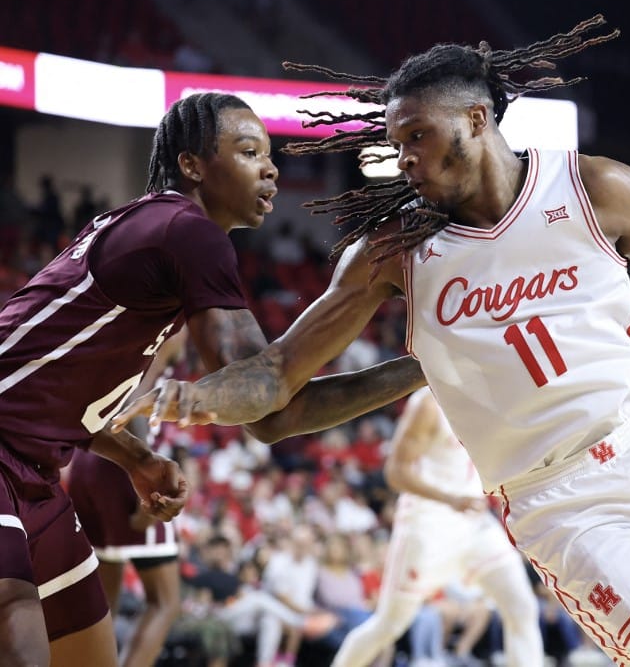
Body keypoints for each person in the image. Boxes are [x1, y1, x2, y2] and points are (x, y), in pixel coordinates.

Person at [118, 16, 630, 666]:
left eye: (417, 136)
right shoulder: (390, 255)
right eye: (394, 143)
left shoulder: (597, 187)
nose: (403, 157)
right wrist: (190, 399)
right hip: (564, 503)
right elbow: (278, 378)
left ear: (477, 121)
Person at [0, 92, 424, 666]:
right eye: (249, 151)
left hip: (36, 467)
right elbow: (272, 408)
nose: (271, 167)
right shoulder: (186, 231)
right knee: (17, 620)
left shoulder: (163, 232)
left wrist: (136, 459)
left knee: (86, 650)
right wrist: (429, 363)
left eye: (269, 154)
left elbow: (51, 390)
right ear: (192, 166)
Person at [330, 387, 543, 667]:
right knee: (389, 625)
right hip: (427, 525)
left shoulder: (489, 393)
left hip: (472, 522)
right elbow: (395, 472)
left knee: (521, 606)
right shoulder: (429, 404)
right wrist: (451, 498)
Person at [65, 329, 188, 667]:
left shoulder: (124, 317)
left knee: (104, 601)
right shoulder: (170, 328)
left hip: (90, 461)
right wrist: (145, 465)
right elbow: (134, 402)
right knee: (164, 601)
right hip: (126, 465)